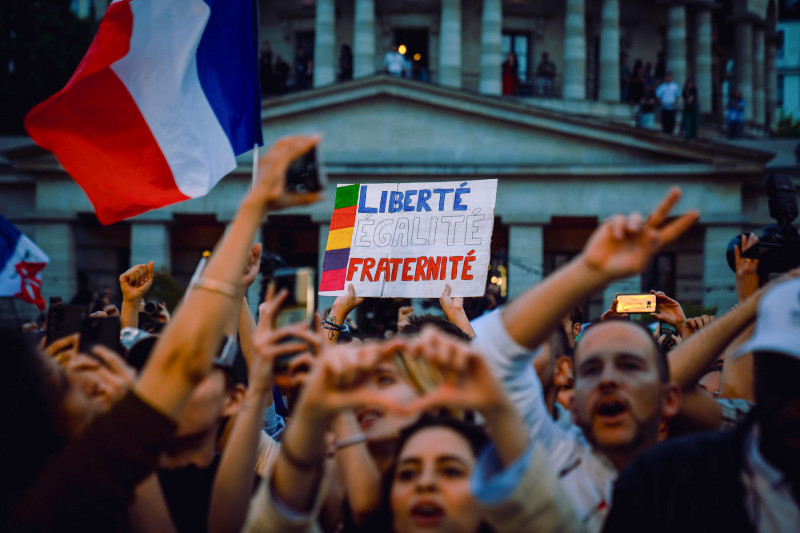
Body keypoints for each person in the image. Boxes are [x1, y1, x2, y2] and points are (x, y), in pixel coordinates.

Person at [0, 134, 323, 531]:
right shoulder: (67, 499)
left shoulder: (71, 485)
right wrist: (250, 214)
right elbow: (179, 360)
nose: (85, 379)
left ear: (233, 398)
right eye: (64, 379)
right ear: (40, 419)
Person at [469, 188, 697, 531]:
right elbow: (488, 357)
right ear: (573, 402)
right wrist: (590, 270)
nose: (609, 380)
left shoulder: (713, 478)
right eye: (590, 368)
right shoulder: (553, 464)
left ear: (670, 399)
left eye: (630, 365)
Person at [242, 329, 581, 532]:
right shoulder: (330, 472)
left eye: (451, 470)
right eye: (406, 474)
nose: (425, 483)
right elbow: (275, 519)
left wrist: (497, 404)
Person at [603, 273, 800, 532]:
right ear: (758, 374)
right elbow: (659, 388)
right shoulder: (677, 471)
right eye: (780, 379)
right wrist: (752, 304)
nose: (793, 408)